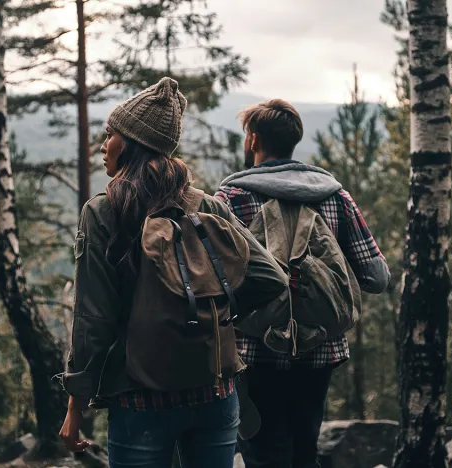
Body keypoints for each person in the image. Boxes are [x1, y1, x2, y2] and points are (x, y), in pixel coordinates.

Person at [58, 78, 289, 468]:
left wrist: (75, 407)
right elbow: (272, 278)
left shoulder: (102, 213)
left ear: (133, 143)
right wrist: (218, 309)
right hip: (215, 392)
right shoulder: (208, 206)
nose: (103, 145)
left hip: (139, 398)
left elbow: (92, 320)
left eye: (110, 134)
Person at [215, 99, 391, 468]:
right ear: (294, 140)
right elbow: (377, 278)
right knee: (303, 452)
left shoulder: (231, 199)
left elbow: (209, 279)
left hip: (253, 352)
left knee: (263, 453)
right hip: (319, 353)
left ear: (253, 139)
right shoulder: (335, 197)